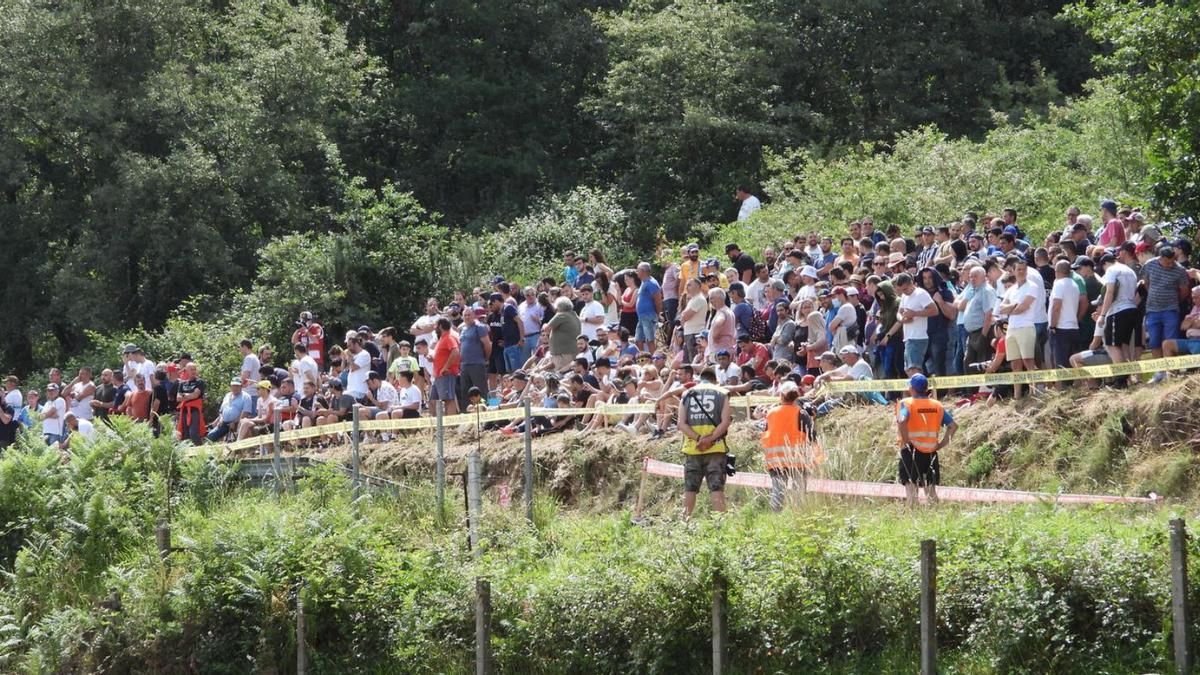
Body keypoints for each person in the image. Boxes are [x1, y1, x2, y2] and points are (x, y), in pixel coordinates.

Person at [677, 367, 732, 518]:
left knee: (690, 489)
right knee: (716, 488)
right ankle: (721, 524)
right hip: (716, 448)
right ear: (715, 379)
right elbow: (726, 421)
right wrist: (710, 439)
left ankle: (685, 521)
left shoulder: (687, 394)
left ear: (700, 378)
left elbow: (681, 424)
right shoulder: (722, 392)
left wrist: (698, 438)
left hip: (692, 448)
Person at [896, 374, 956, 508]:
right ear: (926, 389)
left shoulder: (906, 403)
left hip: (911, 449)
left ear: (912, 388)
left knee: (911, 491)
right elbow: (953, 426)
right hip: (931, 451)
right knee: (931, 491)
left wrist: (906, 441)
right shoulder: (937, 405)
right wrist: (942, 444)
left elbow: (901, 420)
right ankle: (936, 517)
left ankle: (912, 519)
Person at [760, 382, 821, 511]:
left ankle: (775, 520)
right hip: (797, 462)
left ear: (781, 396)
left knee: (778, 492)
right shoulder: (801, 414)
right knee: (799, 493)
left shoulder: (770, 414)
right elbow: (811, 436)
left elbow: (765, 436)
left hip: (775, 461)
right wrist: (818, 458)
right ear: (796, 396)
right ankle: (799, 518)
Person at [997, 257, 1041, 399]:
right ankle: (1017, 396)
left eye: (1024, 269)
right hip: (1012, 329)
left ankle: (1034, 392)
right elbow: (1001, 308)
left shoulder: (1032, 286)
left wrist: (1011, 308)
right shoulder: (1011, 290)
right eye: (1019, 269)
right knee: (1015, 364)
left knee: (1028, 361)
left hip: (1026, 327)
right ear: (1014, 272)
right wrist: (1013, 307)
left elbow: (1023, 307)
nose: (1021, 272)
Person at [1141, 245, 1190, 360]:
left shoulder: (1179, 270)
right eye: (1168, 262)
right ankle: (1160, 371)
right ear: (1161, 257)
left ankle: (1172, 372)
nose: (1171, 265)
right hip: (1152, 310)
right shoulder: (1149, 265)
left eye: (1173, 261)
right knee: (1154, 342)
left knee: (1170, 341)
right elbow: (1146, 283)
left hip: (1171, 310)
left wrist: (1174, 300)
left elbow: (1184, 290)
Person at [893, 273, 936, 376]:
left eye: (905, 289)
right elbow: (899, 312)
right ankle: (918, 390)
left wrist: (915, 313)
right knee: (908, 369)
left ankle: (919, 391)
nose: (904, 292)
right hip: (908, 337)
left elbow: (934, 310)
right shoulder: (904, 295)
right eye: (901, 290)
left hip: (918, 337)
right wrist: (902, 319)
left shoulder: (921, 294)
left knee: (914, 369)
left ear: (911, 283)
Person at [457, 307, 491, 409]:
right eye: (465, 315)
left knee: (482, 390)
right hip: (464, 365)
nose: (467, 317)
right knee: (465, 391)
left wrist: (486, 358)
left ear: (474, 315)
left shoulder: (479, 327)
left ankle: (489, 411)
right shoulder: (462, 329)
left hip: (477, 363)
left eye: (469, 315)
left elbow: (487, 345)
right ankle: (467, 415)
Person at [431, 317, 462, 416]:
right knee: (433, 400)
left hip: (446, 374)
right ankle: (439, 424)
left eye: (436, 325)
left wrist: (444, 367)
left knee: (449, 400)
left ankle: (451, 425)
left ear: (440, 326)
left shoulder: (449, 337)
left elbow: (455, 351)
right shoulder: (442, 338)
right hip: (438, 375)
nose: (434, 328)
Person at [634, 262, 663, 354]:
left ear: (643, 271)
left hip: (649, 316)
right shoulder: (644, 282)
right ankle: (642, 358)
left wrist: (658, 313)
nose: (636, 272)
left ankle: (654, 359)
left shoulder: (651, 283)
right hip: (642, 317)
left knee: (650, 339)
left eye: (637, 270)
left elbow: (658, 299)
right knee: (638, 339)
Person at [176, 362, 206, 444]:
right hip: (184, 410)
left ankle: (200, 451)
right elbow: (178, 398)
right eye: (191, 369)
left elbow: (196, 395)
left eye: (194, 369)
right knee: (185, 434)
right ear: (186, 371)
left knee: (194, 433)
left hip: (195, 410)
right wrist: (189, 395)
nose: (193, 371)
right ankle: (187, 455)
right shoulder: (182, 383)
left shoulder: (199, 382)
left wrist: (184, 395)